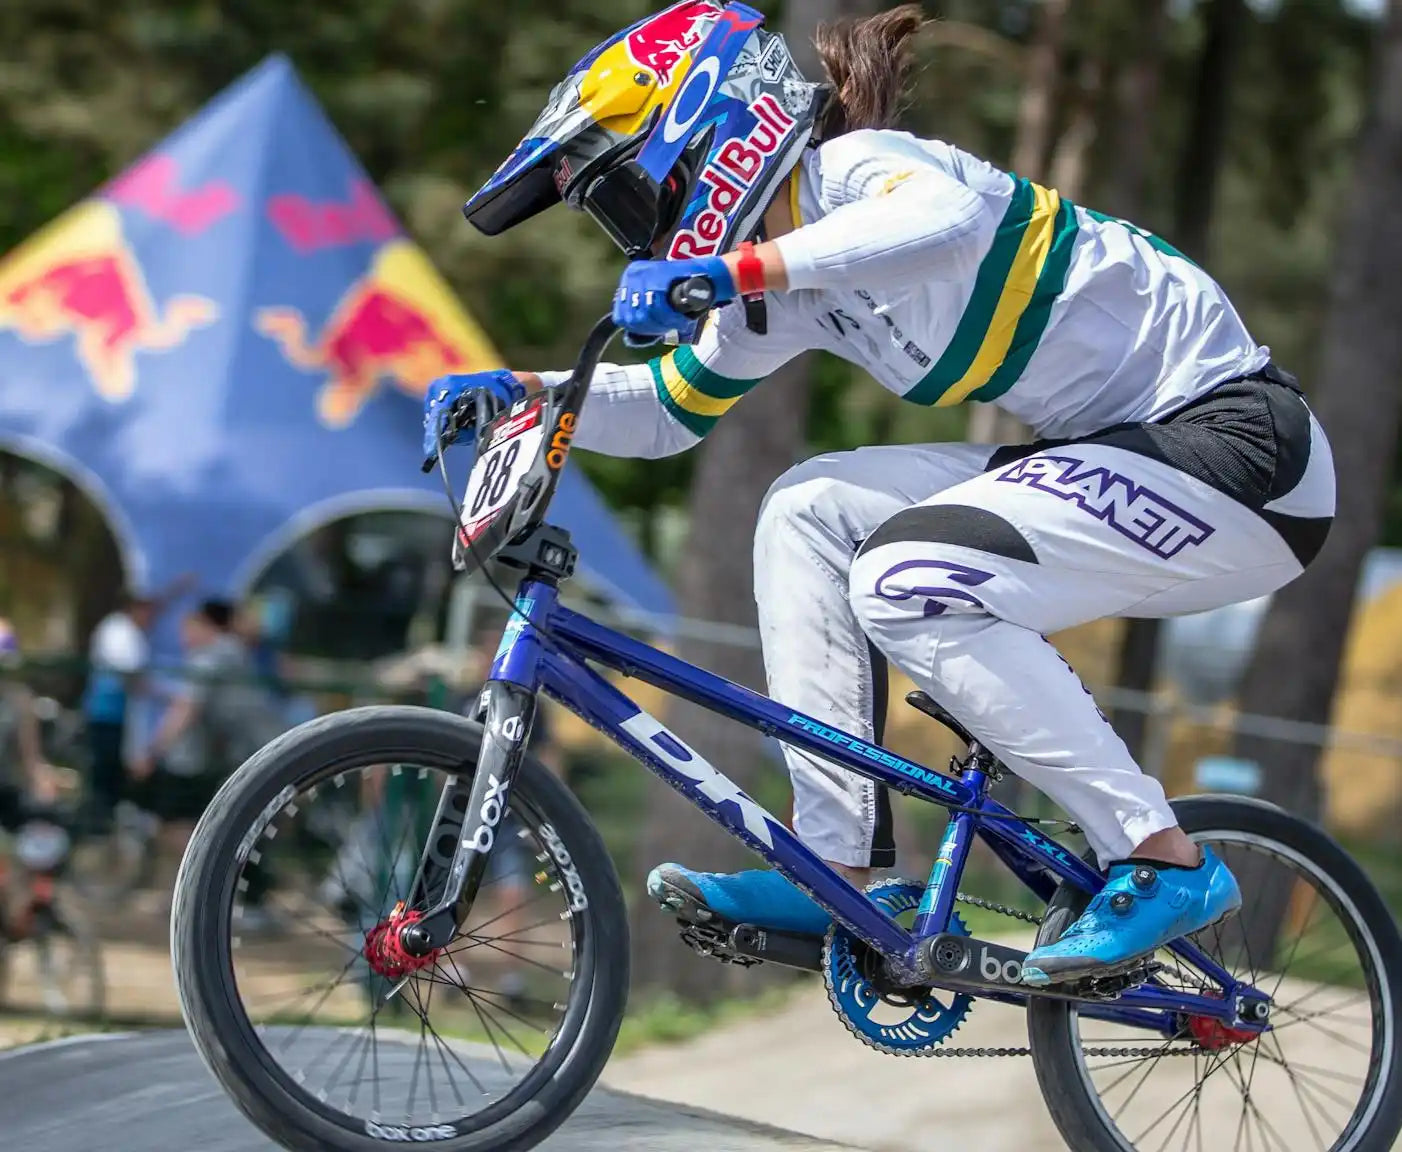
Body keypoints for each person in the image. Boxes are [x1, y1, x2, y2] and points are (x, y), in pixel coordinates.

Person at [422, 3, 1334, 986]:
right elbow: (667, 412)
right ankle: (843, 869)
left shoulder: (860, 170)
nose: (632, 240)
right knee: (806, 508)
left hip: (1241, 453)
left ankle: (1159, 858)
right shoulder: (776, 291)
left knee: (905, 577)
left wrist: (725, 271)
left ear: (710, 136)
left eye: (628, 202)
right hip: (1120, 451)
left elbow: (931, 223)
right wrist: (526, 391)